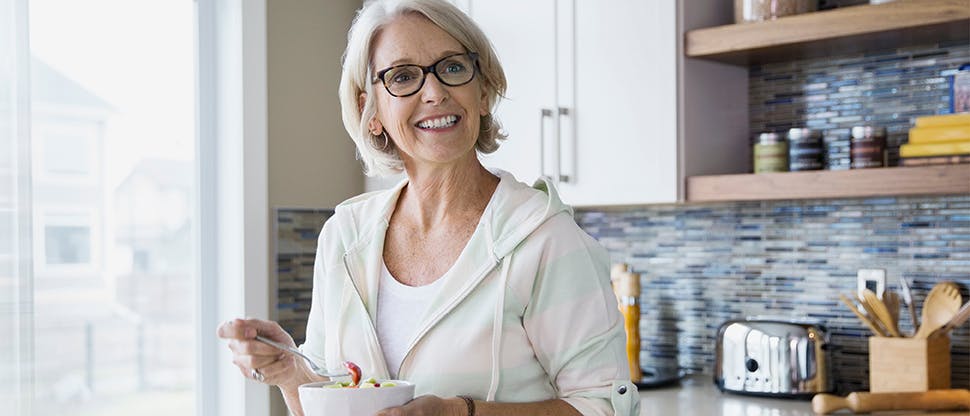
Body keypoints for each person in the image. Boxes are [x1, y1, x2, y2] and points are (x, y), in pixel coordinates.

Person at [216, 0, 639, 415]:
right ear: (371, 110)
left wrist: (460, 413)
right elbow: (331, 404)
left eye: (453, 67)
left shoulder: (545, 239)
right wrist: (291, 370)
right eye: (402, 77)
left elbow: (603, 407)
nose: (435, 93)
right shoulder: (345, 236)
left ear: (483, 90)